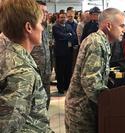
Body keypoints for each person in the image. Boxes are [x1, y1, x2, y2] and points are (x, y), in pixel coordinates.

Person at [65, 8, 125, 132]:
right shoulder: (96, 43)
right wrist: (114, 103)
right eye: (122, 26)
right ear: (109, 25)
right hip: (81, 113)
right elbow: (91, 83)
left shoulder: (101, 41)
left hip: (86, 109)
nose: (124, 30)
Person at [0, 0, 53, 132]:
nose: (42, 28)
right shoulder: (22, 72)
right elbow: (9, 128)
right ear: (29, 27)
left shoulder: (10, 53)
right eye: (40, 23)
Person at [31, 0, 51, 110]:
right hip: (35, 73)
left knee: (46, 99)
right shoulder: (28, 29)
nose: (45, 14)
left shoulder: (45, 27)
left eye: (46, 11)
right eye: (41, 11)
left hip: (46, 71)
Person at [52, 12, 77, 94]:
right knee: (60, 71)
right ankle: (60, 88)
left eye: (64, 17)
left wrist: (67, 36)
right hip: (60, 53)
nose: (63, 19)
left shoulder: (68, 26)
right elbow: (60, 36)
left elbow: (73, 35)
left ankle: (67, 86)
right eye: (61, 17)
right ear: (58, 18)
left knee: (68, 70)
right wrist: (68, 35)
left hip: (68, 52)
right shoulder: (55, 27)